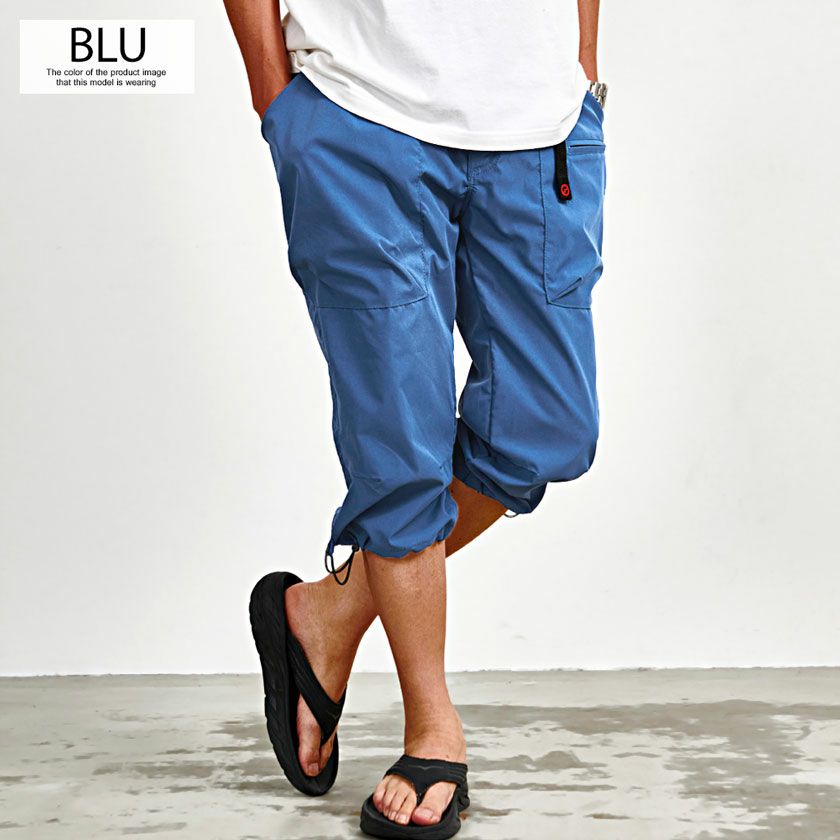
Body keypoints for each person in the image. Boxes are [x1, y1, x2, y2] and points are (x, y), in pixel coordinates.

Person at [224, 1, 606, 836]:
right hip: (360, 111)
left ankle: (328, 612)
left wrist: (582, 63)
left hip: (540, 124)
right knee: (401, 452)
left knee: (549, 428)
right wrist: (275, 98)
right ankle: (432, 729)